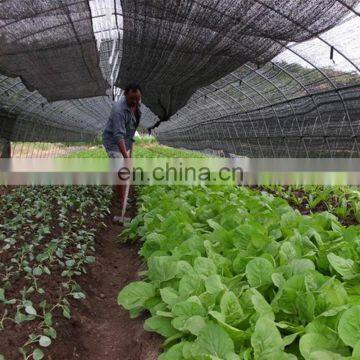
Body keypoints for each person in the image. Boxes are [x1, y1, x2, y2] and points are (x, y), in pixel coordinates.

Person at [103, 83, 142, 221]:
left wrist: (129, 151)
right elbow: (118, 135)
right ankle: (121, 200)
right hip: (114, 143)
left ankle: (125, 198)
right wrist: (126, 157)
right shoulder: (118, 110)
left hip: (126, 140)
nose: (135, 102)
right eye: (132, 99)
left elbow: (131, 129)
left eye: (137, 99)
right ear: (125, 94)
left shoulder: (136, 105)